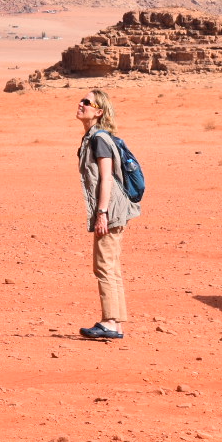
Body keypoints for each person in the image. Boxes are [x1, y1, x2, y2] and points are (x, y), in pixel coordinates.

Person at [75, 88, 140, 340]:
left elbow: (106, 178)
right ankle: (116, 323)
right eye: (81, 100)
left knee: (104, 266)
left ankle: (110, 322)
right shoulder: (93, 137)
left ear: (98, 112)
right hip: (112, 209)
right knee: (110, 266)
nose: (80, 104)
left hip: (110, 210)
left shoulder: (99, 139)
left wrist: (101, 213)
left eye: (86, 102)